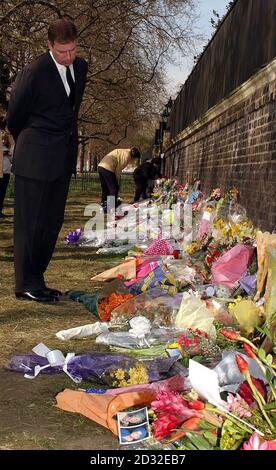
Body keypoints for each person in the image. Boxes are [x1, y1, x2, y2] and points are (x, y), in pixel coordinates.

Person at [7, 19, 88, 302]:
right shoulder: (34, 71)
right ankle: (25, 284)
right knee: (30, 224)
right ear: (50, 45)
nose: (68, 57)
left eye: (73, 50)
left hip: (62, 158)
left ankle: (37, 279)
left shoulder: (81, 68)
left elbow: (70, 113)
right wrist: (33, 141)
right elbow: (14, 116)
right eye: (62, 51)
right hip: (35, 158)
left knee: (51, 223)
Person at [98, 147, 140, 212]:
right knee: (114, 188)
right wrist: (116, 177)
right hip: (108, 168)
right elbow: (119, 168)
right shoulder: (127, 156)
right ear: (133, 156)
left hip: (101, 166)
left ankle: (104, 204)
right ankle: (111, 206)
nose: (134, 160)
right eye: (134, 159)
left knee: (105, 187)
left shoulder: (124, 151)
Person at [0, 132, 12, 218]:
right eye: (2, 139)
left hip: (7, 173)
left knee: (3, 193)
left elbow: (12, 160)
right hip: (0, 173)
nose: (3, 141)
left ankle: (0, 211)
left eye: (5, 139)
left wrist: (10, 155)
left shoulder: (8, 148)